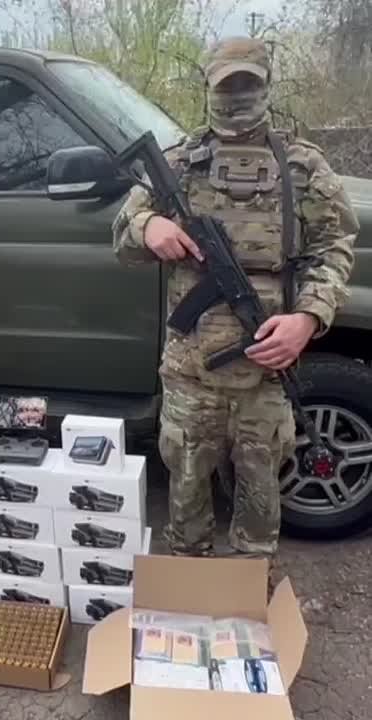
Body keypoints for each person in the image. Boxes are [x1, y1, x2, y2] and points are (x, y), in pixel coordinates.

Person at [112, 37, 358, 562]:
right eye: (228, 85)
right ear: (208, 87)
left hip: (266, 369)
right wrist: (149, 225)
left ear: (267, 85)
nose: (238, 95)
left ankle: (246, 593)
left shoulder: (303, 166)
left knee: (259, 508)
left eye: (248, 83)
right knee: (186, 502)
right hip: (190, 371)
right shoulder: (179, 163)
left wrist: (307, 317)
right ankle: (187, 584)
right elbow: (122, 235)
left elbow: (334, 247)